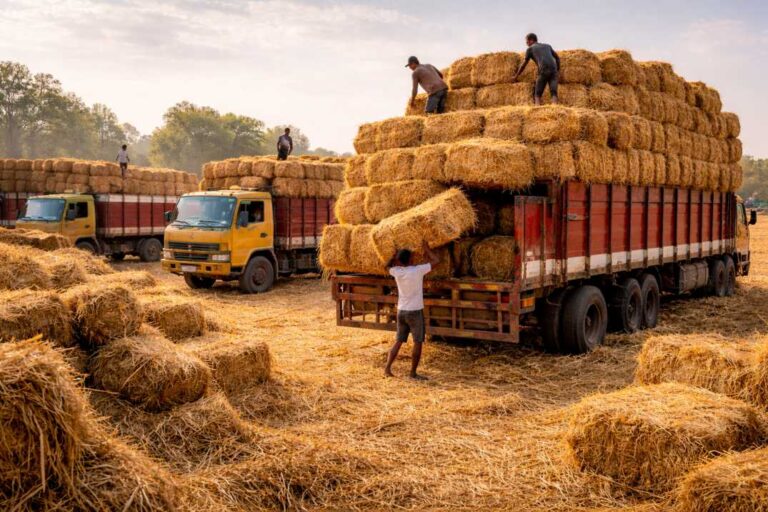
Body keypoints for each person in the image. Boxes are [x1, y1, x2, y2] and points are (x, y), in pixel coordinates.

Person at [384, 241, 441, 380]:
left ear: (399, 261)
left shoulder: (397, 272)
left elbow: (386, 267)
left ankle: (387, 369)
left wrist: (394, 256)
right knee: (418, 342)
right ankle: (413, 373)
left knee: (398, 341)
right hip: (415, 311)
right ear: (410, 259)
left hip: (401, 310)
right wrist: (427, 249)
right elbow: (437, 260)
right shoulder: (417, 270)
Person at [513, 33, 561, 106]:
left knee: (537, 93)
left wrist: (516, 76)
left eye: (527, 41)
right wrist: (557, 70)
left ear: (531, 40)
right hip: (553, 70)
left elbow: (524, 64)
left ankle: (537, 109)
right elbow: (557, 58)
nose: (526, 43)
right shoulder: (547, 46)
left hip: (543, 69)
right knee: (553, 92)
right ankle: (555, 107)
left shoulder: (530, 49)